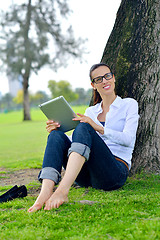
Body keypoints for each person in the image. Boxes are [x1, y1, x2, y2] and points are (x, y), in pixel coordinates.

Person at [28, 63, 139, 212]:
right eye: (99, 79)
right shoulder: (91, 111)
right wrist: (58, 130)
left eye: (107, 76)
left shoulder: (129, 104)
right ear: (93, 85)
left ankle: (62, 191)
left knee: (85, 126)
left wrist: (97, 127)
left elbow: (128, 140)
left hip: (113, 172)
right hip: (87, 176)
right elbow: (78, 141)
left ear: (113, 78)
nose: (104, 81)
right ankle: (45, 192)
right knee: (56, 136)